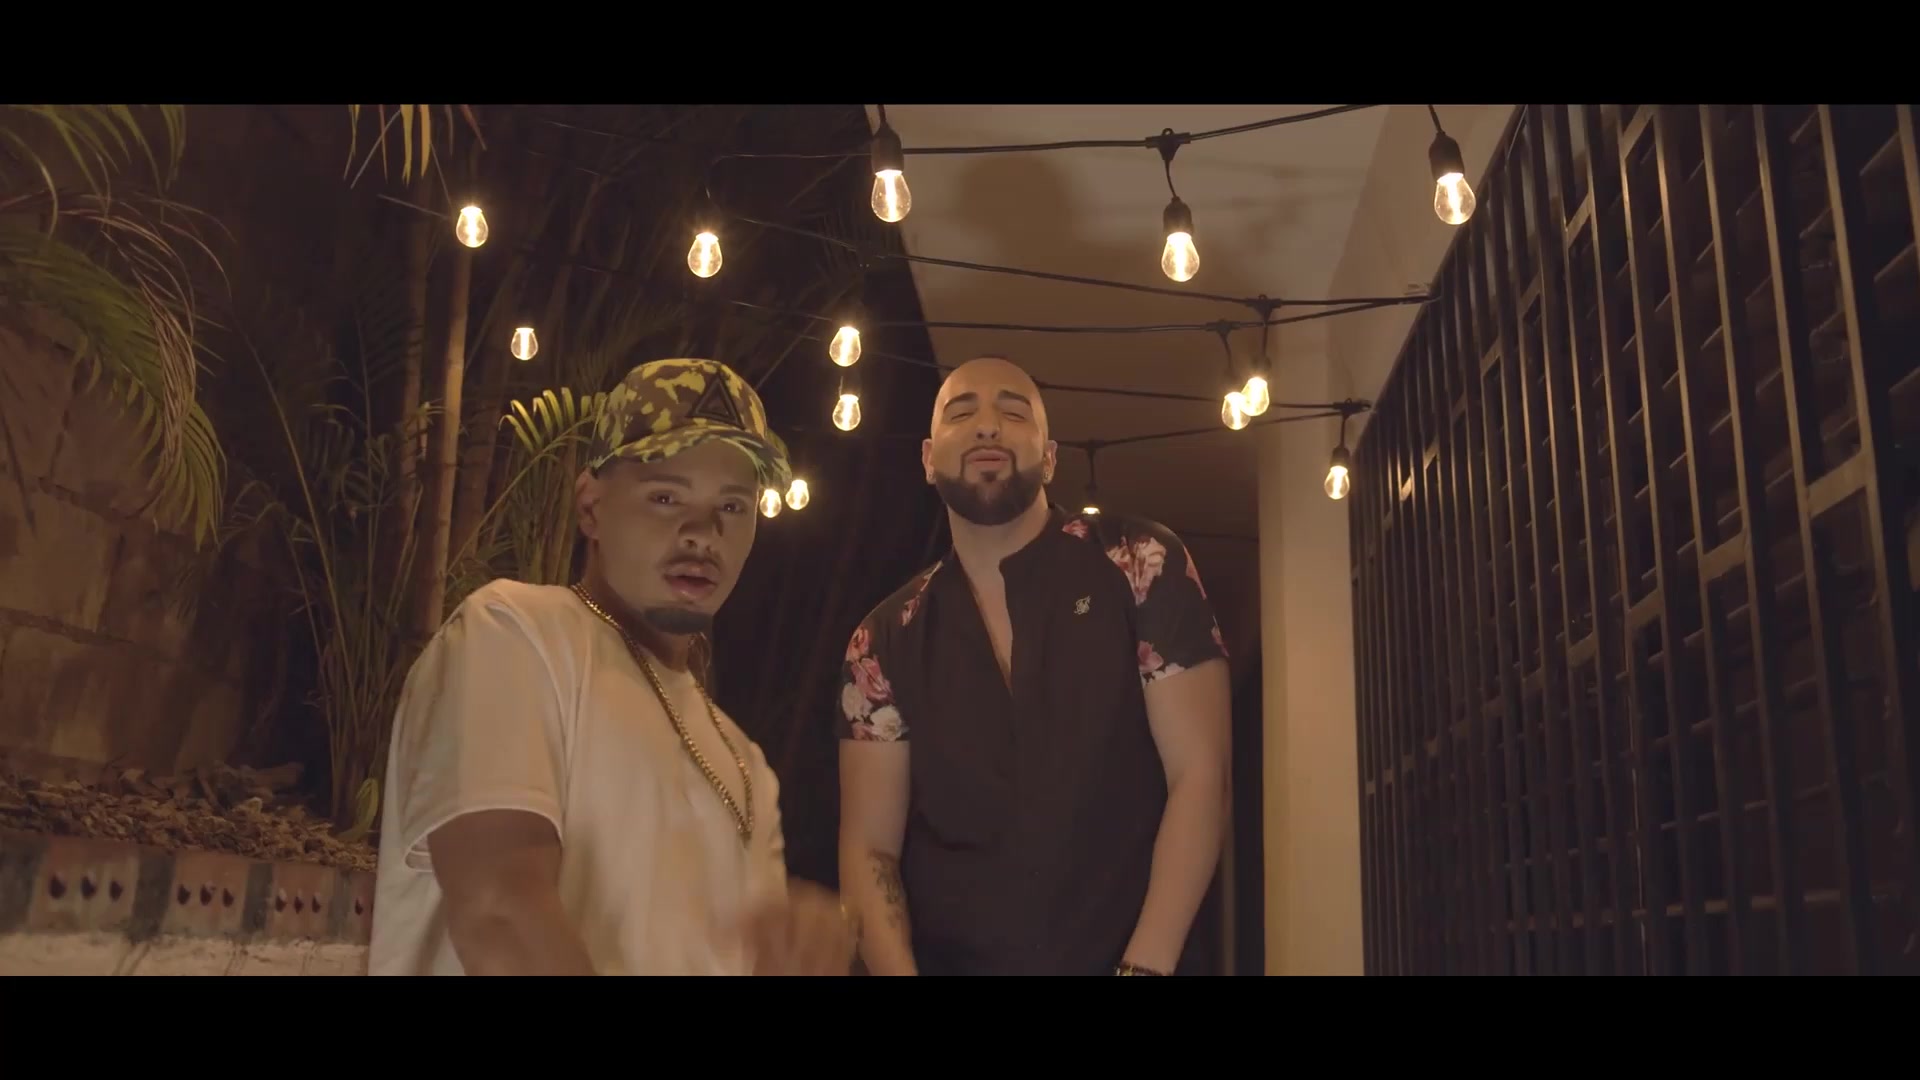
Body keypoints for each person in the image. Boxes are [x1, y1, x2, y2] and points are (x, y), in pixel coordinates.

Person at [370, 357, 855, 976]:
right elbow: (499, 911)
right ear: (591, 507)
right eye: (665, 497)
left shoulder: (747, 764)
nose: (702, 533)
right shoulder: (515, 634)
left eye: (733, 507)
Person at [837, 355, 1232, 976]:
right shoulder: (882, 638)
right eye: (961, 412)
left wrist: (1143, 969)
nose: (987, 425)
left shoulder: (1139, 563)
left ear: (1049, 459)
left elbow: (1201, 775)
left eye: (1013, 412)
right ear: (928, 459)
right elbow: (870, 849)